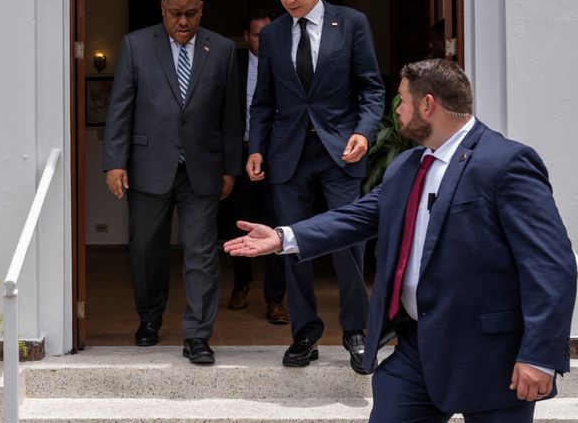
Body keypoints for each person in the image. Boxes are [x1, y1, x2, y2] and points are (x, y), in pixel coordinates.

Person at [225, 58, 576, 422]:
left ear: (428, 104)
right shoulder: (407, 165)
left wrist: (538, 355)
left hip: (490, 355)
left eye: (403, 101)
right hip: (415, 350)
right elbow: (358, 216)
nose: (397, 111)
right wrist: (284, 237)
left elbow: (551, 264)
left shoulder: (505, 163)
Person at [247, 0, 385, 367]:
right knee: (290, 247)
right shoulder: (271, 35)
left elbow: (372, 90)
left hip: (339, 153)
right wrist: (255, 148)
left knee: (348, 244)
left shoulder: (353, 23)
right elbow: (263, 101)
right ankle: (304, 333)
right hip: (287, 157)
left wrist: (363, 133)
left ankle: (356, 330)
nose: (288, 0)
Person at [103, 0, 241, 365]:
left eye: (191, 14)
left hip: (203, 167)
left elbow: (230, 115)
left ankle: (198, 335)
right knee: (147, 250)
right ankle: (149, 318)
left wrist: (230, 167)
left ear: (202, 10)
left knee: (202, 254)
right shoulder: (135, 45)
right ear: (162, 9)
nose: (183, 22)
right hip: (148, 165)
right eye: (176, 13)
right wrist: (114, 162)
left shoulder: (225, 49)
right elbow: (120, 108)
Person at [217, 11, 287, 324]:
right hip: (241, 155)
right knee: (240, 224)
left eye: (269, 33)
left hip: (279, 160)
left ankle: (275, 298)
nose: (265, 39)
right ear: (247, 37)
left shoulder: (287, 62)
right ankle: (241, 285)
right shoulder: (234, 65)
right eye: (258, 34)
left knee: (277, 226)